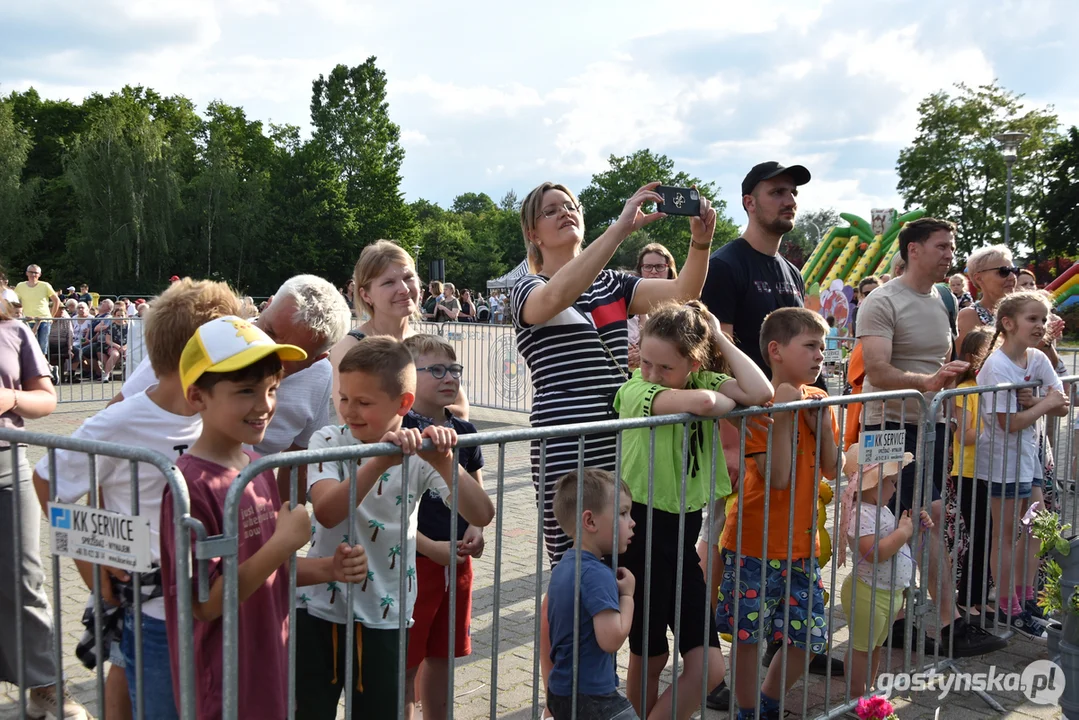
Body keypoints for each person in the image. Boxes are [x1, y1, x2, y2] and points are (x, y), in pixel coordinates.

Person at [511, 180, 716, 710]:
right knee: (571, 569)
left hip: (618, 443)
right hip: (564, 443)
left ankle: (598, 688)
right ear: (533, 231)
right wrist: (620, 226)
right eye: (550, 210)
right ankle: (563, 692)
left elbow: (684, 293)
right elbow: (556, 297)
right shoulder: (525, 286)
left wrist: (701, 241)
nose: (565, 213)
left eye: (571, 206)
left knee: (609, 565)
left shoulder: (612, 285)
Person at [31, 279, 243, 719]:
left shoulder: (215, 413)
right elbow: (48, 479)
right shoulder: (118, 423)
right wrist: (92, 563)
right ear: (199, 359)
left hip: (212, 601)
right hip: (154, 614)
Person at [159, 316, 367, 719]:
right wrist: (283, 542)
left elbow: (270, 568)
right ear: (198, 396)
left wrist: (328, 567)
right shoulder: (187, 487)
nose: (265, 405)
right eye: (246, 391)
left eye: (273, 389)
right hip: (222, 682)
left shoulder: (256, 467)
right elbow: (206, 604)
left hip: (269, 660)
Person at [296, 337, 494, 718]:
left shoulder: (420, 455)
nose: (349, 411)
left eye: (363, 402)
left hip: (386, 612)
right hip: (321, 608)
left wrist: (446, 463)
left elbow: (482, 513)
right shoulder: (327, 441)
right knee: (309, 708)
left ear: (403, 403)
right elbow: (326, 512)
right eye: (343, 397)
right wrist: (378, 462)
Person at [857, 217, 1006, 657]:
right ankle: (949, 625)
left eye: (952, 245)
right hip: (887, 427)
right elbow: (878, 370)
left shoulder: (943, 297)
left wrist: (952, 400)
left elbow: (941, 365)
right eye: (941, 246)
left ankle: (904, 621)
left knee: (919, 521)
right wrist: (929, 382)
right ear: (913, 250)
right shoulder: (882, 301)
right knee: (917, 520)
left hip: (932, 425)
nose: (949, 254)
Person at [614, 301, 771, 720]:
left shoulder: (705, 376)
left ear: (694, 361)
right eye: (646, 362)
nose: (651, 373)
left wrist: (718, 335)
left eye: (665, 368)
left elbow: (761, 393)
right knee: (649, 657)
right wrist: (726, 404)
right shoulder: (634, 389)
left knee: (709, 668)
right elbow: (703, 403)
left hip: (683, 536)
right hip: (641, 533)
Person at [115, 275, 350, 503]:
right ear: (266, 307)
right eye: (268, 331)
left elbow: (297, 462)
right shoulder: (208, 339)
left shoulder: (319, 377)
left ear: (318, 359)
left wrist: (282, 524)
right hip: (164, 499)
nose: (268, 349)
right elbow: (116, 414)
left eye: (288, 353)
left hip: (239, 505)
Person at [716, 308, 838, 720]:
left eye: (822, 346)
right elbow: (779, 477)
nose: (820, 354)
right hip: (755, 543)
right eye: (810, 345)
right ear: (776, 350)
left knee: (808, 639)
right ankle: (748, 711)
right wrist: (784, 414)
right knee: (749, 641)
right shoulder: (758, 405)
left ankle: (769, 702)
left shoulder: (820, 398)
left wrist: (818, 422)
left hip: (802, 545)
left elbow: (833, 467)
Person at [1, 286, 89, 720]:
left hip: (6, 468)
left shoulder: (14, 330)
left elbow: (47, 400)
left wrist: (12, 398)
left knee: (23, 578)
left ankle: (46, 687)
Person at [976, 291, 1069, 638]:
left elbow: (1062, 403)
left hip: (1028, 456)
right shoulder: (997, 366)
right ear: (1009, 323)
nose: (1040, 325)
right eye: (1033, 319)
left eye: (1043, 319)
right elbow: (1008, 423)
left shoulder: (1037, 359)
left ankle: (1026, 597)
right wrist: (1042, 404)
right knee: (1006, 533)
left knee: (1037, 527)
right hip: (1002, 460)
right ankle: (1007, 606)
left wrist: (1039, 402)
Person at [400, 334, 484, 720]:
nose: (449, 377)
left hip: (456, 563)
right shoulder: (401, 433)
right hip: (411, 564)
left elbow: (477, 492)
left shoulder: (465, 432)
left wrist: (475, 530)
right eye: (435, 369)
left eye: (454, 369)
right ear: (407, 378)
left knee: (443, 654)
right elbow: (387, 511)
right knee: (407, 659)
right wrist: (428, 547)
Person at [329, 241, 469, 426]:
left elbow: (461, 410)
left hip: (437, 454)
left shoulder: (426, 344)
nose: (404, 289)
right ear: (365, 295)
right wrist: (430, 413)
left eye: (408, 277)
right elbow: (352, 421)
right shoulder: (351, 348)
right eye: (388, 282)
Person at [700, 162, 811, 376]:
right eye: (777, 192)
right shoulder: (723, 267)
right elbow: (718, 356)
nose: (790, 201)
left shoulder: (793, 273)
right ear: (749, 203)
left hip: (791, 404)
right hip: (747, 405)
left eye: (793, 192)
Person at [547, 469, 637, 720]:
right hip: (592, 697)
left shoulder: (564, 566)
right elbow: (611, 638)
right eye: (622, 513)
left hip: (561, 692)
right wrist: (628, 596)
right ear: (590, 522)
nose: (632, 522)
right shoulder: (596, 574)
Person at [838, 446, 926, 697]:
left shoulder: (881, 510)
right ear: (874, 485)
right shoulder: (859, 515)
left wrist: (914, 530)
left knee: (875, 646)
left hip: (889, 591)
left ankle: (868, 690)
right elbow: (876, 553)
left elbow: (901, 549)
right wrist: (903, 532)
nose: (895, 488)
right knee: (861, 648)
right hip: (868, 592)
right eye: (891, 482)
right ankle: (856, 698)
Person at [949, 329, 995, 616]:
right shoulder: (967, 390)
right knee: (978, 535)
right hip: (968, 471)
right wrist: (994, 428)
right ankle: (966, 597)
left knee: (988, 535)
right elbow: (964, 435)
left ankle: (978, 597)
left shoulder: (991, 387)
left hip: (988, 470)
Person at [627, 243, 678, 371]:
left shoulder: (680, 305)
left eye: (659, 266)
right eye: (648, 267)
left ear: (669, 269)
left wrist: (645, 354)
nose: (654, 271)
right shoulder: (628, 300)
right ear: (640, 270)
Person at [956, 245, 1017, 351]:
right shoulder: (969, 316)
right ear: (979, 278)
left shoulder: (1024, 313)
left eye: (1014, 270)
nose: (1012, 277)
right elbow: (969, 363)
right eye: (1004, 271)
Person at [15, 264, 61, 356]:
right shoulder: (20, 286)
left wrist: (51, 317)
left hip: (44, 319)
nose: (33, 275)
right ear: (27, 273)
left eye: (36, 273)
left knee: (42, 347)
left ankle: (42, 368)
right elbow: (14, 302)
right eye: (31, 272)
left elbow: (56, 301)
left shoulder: (45, 285)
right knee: (28, 347)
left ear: (39, 274)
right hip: (27, 320)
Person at [101, 303, 129, 383]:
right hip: (113, 346)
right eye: (118, 315)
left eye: (122, 315)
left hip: (126, 346)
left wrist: (125, 346)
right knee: (115, 355)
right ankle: (106, 375)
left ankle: (130, 374)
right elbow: (108, 340)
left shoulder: (129, 326)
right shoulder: (111, 326)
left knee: (129, 354)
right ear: (114, 316)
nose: (120, 317)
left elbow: (131, 339)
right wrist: (117, 346)